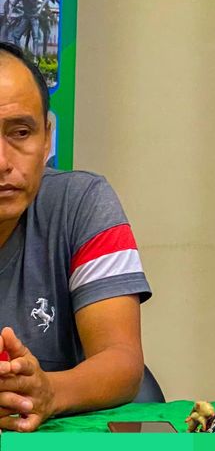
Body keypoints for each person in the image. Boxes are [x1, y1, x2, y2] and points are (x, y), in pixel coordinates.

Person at [0, 42, 150, 431]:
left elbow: (122, 360)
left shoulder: (82, 203)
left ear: (46, 138)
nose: (2, 162)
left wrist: (47, 392)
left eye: (20, 132)